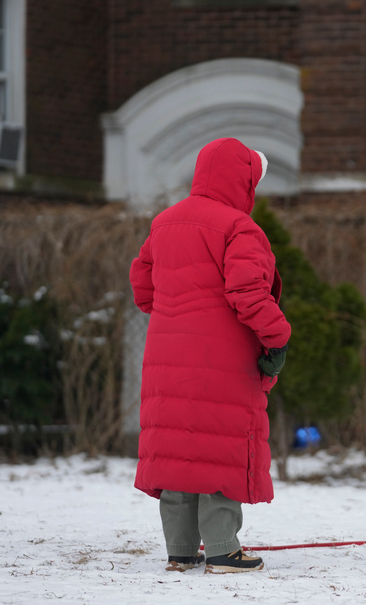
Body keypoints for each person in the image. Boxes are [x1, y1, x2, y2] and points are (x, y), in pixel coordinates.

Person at [129, 137, 291, 574]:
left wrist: (179, 313)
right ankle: (222, 550)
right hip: (222, 361)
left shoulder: (164, 222)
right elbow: (247, 292)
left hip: (167, 358)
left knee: (180, 451)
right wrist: (278, 336)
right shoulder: (239, 228)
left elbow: (143, 287)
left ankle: (180, 551)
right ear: (243, 183)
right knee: (220, 448)